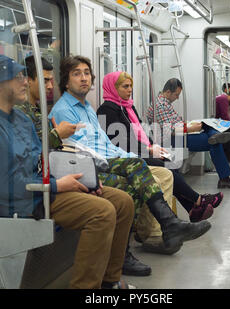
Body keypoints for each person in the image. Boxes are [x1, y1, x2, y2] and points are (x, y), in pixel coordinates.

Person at [0, 55, 136, 289]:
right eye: (18, 77)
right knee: (102, 212)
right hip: (22, 201)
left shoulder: (21, 119)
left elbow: (42, 160)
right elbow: (5, 188)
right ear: (0, 84)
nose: (25, 82)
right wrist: (57, 185)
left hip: (41, 189)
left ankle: (109, 280)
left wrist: (86, 179)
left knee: (122, 201)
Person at [49, 55, 211, 257]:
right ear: (66, 81)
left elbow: (108, 143)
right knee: (133, 177)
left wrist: (129, 155)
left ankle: (156, 233)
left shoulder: (88, 109)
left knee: (164, 174)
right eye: (76, 74)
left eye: (87, 73)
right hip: (92, 166)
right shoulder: (66, 111)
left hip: (109, 158)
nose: (83, 78)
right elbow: (80, 151)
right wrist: (132, 156)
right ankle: (145, 240)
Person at [96, 71, 224, 222]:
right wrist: (149, 150)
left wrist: (153, 145)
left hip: (142, 148)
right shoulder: (106, 110)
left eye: (131, 86)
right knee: (165, 165)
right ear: (113, 87)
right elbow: (120, 141)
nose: (130, 89)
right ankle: (197, 200)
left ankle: (193, 208)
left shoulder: (128, 107)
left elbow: (142, 130)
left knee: (171, 162)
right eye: (125, 86)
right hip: (126, 154)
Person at [147, 78, 230, 188]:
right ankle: (224, 178)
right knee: (214, 143)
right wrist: (191, 129)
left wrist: (190, 125)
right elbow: (170, 131)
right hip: (171, 139)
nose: (177, 97)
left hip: (179, 134)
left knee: (208, 129)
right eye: (176, 95)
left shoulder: (164, 103)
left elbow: (175, 123)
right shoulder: (160, 105)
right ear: (168, 92)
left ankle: (214, 135)